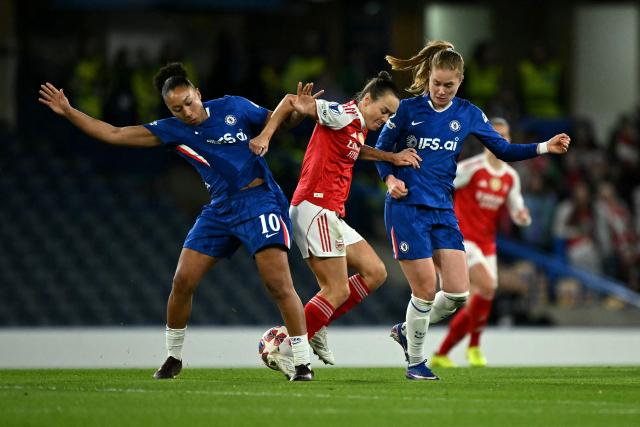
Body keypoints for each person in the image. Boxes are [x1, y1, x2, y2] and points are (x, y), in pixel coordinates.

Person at [38, 62, 319, 381]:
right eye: (177, 108)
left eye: (189, 102)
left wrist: (299, 112)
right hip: (220, 209)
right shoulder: (173, 130)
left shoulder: (233, 107)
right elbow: (115, 134)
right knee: (182, 281)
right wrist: (69, 111)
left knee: (278, 284)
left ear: (198, 93)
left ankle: (301, 362)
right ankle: (173, 357)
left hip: (260, 201)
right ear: (169, 110)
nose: (186, 111)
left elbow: (281, 120)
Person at [374, 40, 570, 380]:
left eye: (449, 85)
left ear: (460, 81)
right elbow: (380, 150)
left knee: (457, 294)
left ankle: (408, 329)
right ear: (429, 76)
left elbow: (504, 150)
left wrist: (544, 147)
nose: (441, 90)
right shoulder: (407, 110)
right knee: (424, 289)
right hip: (407, 208)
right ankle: (417, 363)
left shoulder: (467, 113)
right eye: (437, 83)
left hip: (442, 211)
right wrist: (390, 177)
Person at [250, 72, 421, 365]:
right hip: (315, 208)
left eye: (391, 115)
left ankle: (316, 324)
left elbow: (355, 149)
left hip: (330, 213)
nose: (386, 119)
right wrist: (265, 135)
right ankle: (282, 346)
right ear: (366, 100)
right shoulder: (342, 113)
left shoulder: (356, 126)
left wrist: (391, 158)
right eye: (384, 111)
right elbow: (293, 101)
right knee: (337, 290)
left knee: (375, 272)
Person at [430, 117, 532, 369]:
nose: (499, 140)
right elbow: (443, 185)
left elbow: (517, 207)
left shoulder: (510, 176)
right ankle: (474, 347)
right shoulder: (471, 168)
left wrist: (522, 216)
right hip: (461, 239)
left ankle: (442, 354)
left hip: (487, 245)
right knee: (487, 286)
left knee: (480, 297)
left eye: (504, 136)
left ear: (509, 140)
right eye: (493, 135)